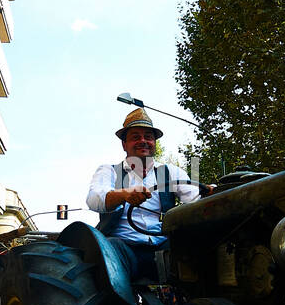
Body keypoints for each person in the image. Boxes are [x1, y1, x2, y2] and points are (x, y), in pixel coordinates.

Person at [85, 108, 202, 280]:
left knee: (198, 247)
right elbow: (94, 199)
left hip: (164, 246)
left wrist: (212, 193)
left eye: (148, 136)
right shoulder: (109, 171)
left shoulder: (171, 172)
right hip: (122, 247)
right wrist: (124, 194)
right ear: (124, 144)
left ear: (155, 142)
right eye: (135, 137)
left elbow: (195, 199)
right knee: (108, 250)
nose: (143, 141)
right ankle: (120, 304)